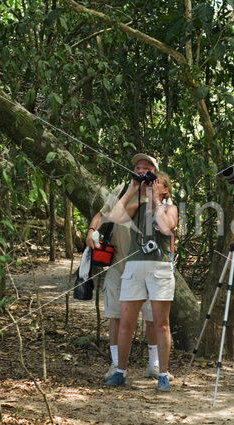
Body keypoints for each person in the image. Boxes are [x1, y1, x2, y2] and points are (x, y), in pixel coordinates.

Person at [86, 154, 161, 381]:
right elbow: (103, 215)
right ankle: (116, 364)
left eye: (146, 168)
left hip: (147, 264)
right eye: (137, 167)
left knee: (151, 316)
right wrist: (90, 231)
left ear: (154, 172)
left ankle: (155, 364)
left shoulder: (158, 192)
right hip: (118, 262)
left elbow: (169, 226)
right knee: (116, 316)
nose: (141, 171)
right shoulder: (121, 189)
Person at [105, 170, 178, 392]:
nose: (150, 185)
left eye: (156, 183)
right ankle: (120, 372)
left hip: (160, 268)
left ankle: (162, 375)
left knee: (161, 324)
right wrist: (132, 189)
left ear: (165, 189)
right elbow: (115, 217)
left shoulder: (171, 208)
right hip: (134, 267)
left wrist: (156, 201)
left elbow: (166, 227)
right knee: (126, 323)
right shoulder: (136, 207)